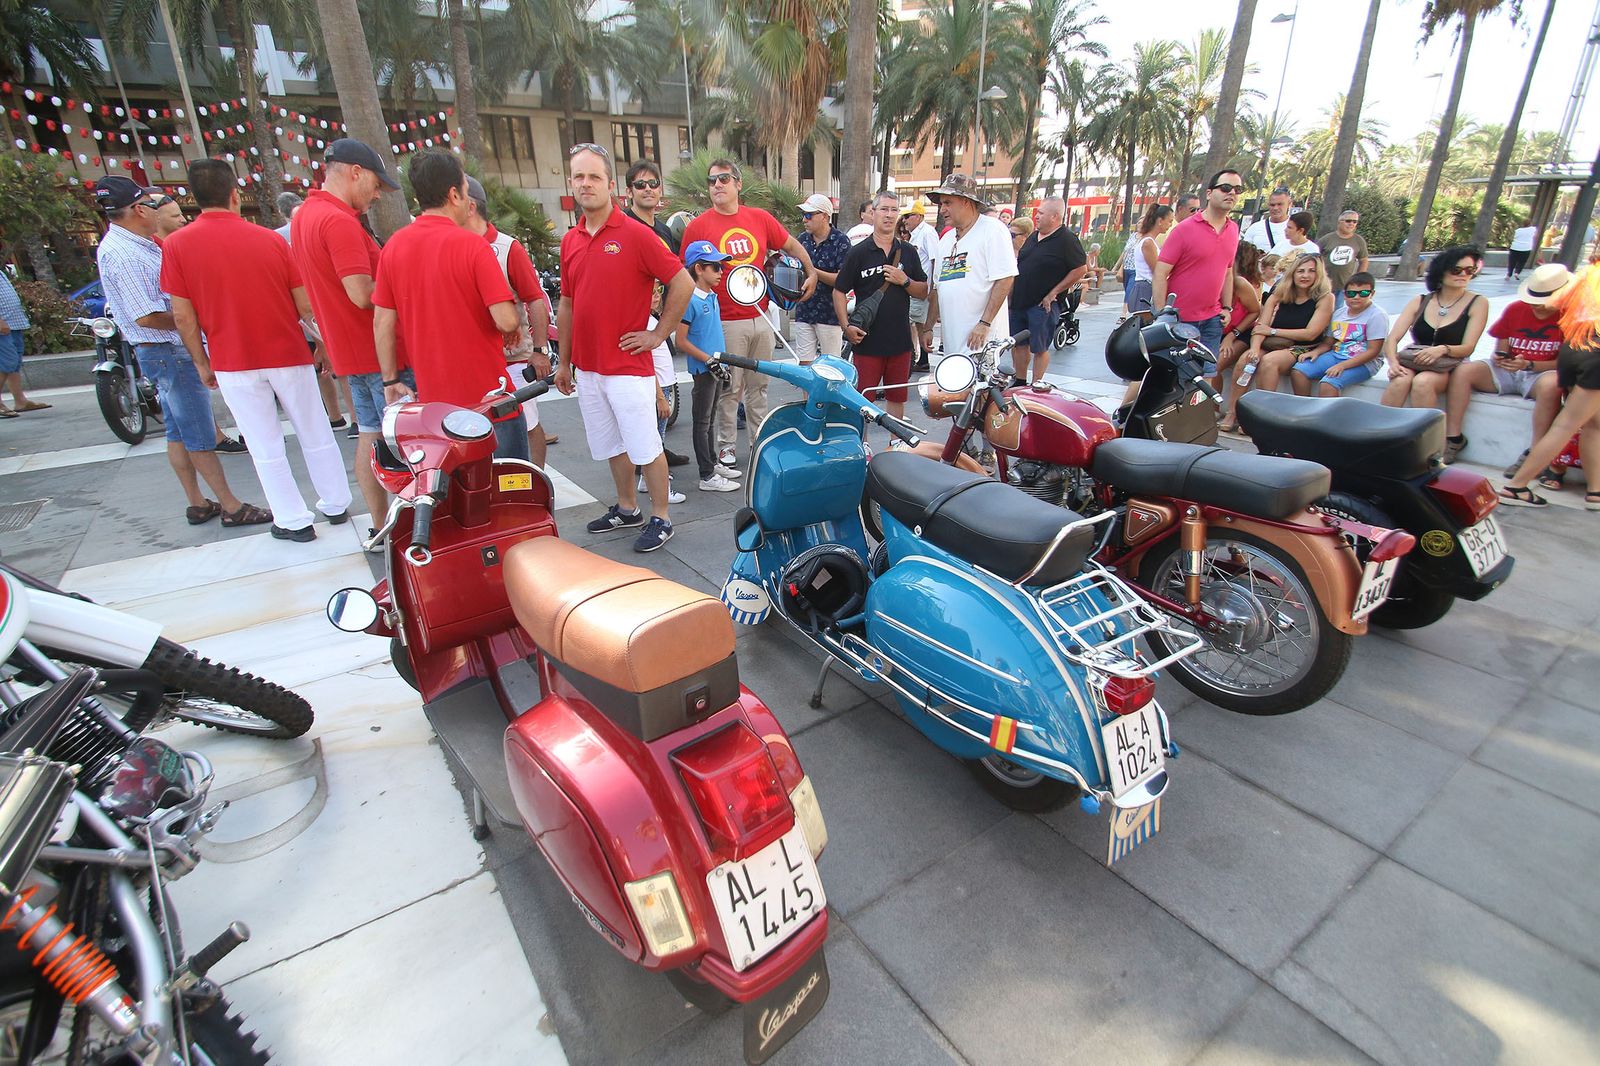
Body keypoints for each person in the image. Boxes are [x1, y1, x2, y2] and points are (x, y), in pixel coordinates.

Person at [160, 159, 352, 543]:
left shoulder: (177, 245)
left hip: (233, 359)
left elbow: (183, 316)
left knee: (264, 444)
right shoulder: (270, 240)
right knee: (315, 430)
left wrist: (201, 361)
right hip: (287, 352)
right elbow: (303, 305)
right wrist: (322, 344)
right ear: (234, 194)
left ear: (193, 198)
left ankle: (294, 520)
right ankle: (335, 503)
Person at [94, 175, 269, 529]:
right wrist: (195, 318)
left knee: (178, 431)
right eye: (151, 203)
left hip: (163, 350)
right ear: (139, 209)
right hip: (166, 350)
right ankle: (231, 506)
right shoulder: (125, 253)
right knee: (198, 433)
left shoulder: (139, 245)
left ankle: (197, 502)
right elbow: (146, 314)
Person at [556, 143, 693, 552]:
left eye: (594, 176)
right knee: (611, 445)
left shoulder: (636, 234)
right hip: (589, 368)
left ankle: (661, 517)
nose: (586, 183)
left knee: (645, 444)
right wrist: (564, 364)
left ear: (611, 185)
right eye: (579, 176)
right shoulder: (571, 240)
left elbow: (683, 281)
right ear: (571, 183)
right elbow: (566, 303)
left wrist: (657, 335)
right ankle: (627, 507)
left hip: (629, 365)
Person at [291, 138, 408, 542]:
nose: (377, 195)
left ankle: (381, 526)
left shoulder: (307, 215)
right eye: (376, 184)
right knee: (404, 444)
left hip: (354, 354)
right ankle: (406, 530)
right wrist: (409, 292)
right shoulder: (337, 221)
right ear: (355, 172)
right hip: (379, 354)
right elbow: (361, 292)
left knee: (371, 436)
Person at [374, 151, 526, 458]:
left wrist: (390, 379)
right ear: (454, 194)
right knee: (511, 493)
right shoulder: (473, 246)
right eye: (466, 193)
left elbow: (382, 323)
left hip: (436, 410)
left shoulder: (394, 248)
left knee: (457, 497)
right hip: (489, 400)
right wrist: (506, 323)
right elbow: (507, 320)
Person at [680, 158, 816, 466]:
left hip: (761, 316)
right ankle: (727, 445)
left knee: (760, 387)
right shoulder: (699, 226)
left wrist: (811, 272)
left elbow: (792, 245)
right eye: (712, 180)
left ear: (738, 184)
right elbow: (684, 271)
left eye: (724, 179)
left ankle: (758, 440)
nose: (717, 185)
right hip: (724, 322)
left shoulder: (759, 218)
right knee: (729, 387)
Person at [463, 176, 552, 467]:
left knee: (527, 425)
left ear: (470, 206)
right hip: (475, 363)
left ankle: (534, 485)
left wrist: (539, 350)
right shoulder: (457, 246)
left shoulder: (506, 248)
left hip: (513, 361)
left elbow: (535, 299)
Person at [1448, 263, 1571, 474]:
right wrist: (1502, 358)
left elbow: (1569, 362)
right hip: (1511, 369)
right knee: (1464, 371)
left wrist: (1531, 365)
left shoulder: (1570, 317)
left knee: (1552, 385)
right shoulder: (1516, 308)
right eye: (1533, 301)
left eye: (1542, 302)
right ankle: (1453, 437)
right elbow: (1502, 346)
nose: (1536, 306)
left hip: (1542, 372)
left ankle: (1536, 451)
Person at [1500, 265, 1600, 509]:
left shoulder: (1590, 275)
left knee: (1594, 424)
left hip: (1575, 350)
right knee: (1568, 424)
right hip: (1594, 353)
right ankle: (1517, 487)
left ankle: (1596, 492)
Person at [1380, 246, 1490, 461]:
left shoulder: (1478, 302)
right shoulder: (1421, 300)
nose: (1464, 275)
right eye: (1457, 270)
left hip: (1449, 362)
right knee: (1400, 380)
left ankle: (1428, 450)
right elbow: (1392, 339)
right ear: (1442, 271)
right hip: (1416, 359)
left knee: (1424, 382)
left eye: (1470, 270)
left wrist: (1442, 349)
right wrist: (1393, 363)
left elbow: (1469, 346)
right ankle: (1381, 439)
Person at [833, 191, 929, 422]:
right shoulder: (858, 252)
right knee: (863, 401)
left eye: (894, 210)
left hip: (900, 342)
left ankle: (894, 447)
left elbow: (923, 290)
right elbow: (839, 290)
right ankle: (862, 448)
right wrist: (846, 327)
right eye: (883, 209)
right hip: (867, 342)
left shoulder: (908, 251)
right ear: (873, 213)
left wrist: (903, 280)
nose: (888, 215)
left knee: (897, 399)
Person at [623, 160, 681, 463]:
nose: (648, 189)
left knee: (664, 385)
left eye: (653, 183)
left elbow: (674, 277)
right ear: (629, 190)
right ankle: (644, 460)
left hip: (657, 321)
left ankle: (657, 449)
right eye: (640, 184)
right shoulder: (623, 226)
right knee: (642, 394)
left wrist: (667, 321)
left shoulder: (663, 230)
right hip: (631, 321)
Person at [673, 240, 741, 492]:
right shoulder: (689, 300)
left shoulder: (711, 296)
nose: (721, 272)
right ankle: (707, 474)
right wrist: (708, 360)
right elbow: (681, 340)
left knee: (709, 419)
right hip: (704, 369)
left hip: (714, 366)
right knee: (702, 422)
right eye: (715, 267)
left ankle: (712, 463)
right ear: (699, 268)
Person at [1152, 170, 1241, 358]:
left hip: (1212, 320)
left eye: (1237, 189)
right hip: (1179, 319)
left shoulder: (1233, 229)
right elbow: (1161, 273)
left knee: (1205, 376)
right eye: (1225, 188)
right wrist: (1162, 315)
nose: (1231, 193)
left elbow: (1227, 271)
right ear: (1209, 193)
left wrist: (1226, 307)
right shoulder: (1184, 229)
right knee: (1163, 374)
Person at [926, 173, 1017, 357]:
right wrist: (928, 327)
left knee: (979, 386)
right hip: (953, 342)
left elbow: (1005, 278)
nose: (942, 209)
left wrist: (985, 323)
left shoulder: (993, 230)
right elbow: (938, 287)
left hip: (983, 341)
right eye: (941, 204)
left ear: (966, 201)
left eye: (947, 203)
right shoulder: (946, 240)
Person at [1236, 252, 1336, 404]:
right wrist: (1254, 349)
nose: (1305, 276)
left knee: (1269, 362)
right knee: (1245, 361)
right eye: (1300, 271)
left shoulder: (1326, 297)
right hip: (1273, 343)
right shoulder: (1279, 293)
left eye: (1311, 271)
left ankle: (1265, 413)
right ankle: (1233, 412)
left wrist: (1273, 331)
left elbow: (1310, 334)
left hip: (1302, 347)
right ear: (1293, 273)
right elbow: (1260, 327)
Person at [1008, 196, 1087, 382]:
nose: (1036, 216)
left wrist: (1054, 292)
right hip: (1020, 301)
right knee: (1019, 344)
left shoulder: (1067, 239)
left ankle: (1036, 384)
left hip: (1042, 304)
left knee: (1039, 346)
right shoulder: (1033, 237)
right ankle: (1020, 380)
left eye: (1041, 213)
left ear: (1054, 216)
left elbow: (1080, 269)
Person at [1286, 271, 1390, 398]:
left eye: (1363, 293)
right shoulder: (1339, 313)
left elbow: (1373, 352)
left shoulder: (1377, 316)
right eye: (1351, 293)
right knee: (1299, 370)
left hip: (1365, 362)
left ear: (1371, 294)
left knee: (1329, 383)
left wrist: (1342, 366)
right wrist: (1315, 352)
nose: (1356, 297)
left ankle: (1328, 417)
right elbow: (1328, 342)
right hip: (1337, 354)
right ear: (1345, 295)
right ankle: (1304, 407)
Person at [794, 193, 850, 366]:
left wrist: (812, 272)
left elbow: (842, 280)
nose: (804, 219)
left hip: (830, 313)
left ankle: (829, 395)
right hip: (804, 310)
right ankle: (808, 395)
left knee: (831, 367)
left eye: (809, 215)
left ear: (824, 216)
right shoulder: (802, 240)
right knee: (805, 367)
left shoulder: (841, 241)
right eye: (803, 215)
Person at [1210, 243, 1265, 404]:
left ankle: (1215, 408)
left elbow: (1255, 311)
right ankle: (1210, 408)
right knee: (1205, 365)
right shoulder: (1210, 282)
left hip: (1241, 332)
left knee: (1214, 365)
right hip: (1217, 331)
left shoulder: (1240, 283)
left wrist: (1232, 336)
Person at [0, 269, 47, 418]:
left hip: (13, 322)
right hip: (3, 324)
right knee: (7, 362)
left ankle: (20, 401)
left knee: (14, 364)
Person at [902, 199, 940, 370]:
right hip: (916, 287)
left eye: (908, 216)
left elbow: (934, 260)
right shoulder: (917, 234)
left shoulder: (927, 233)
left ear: (918, 216)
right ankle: (921, 359)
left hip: (922, 287)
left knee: (916, 322)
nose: (905, 220)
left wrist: (933, 286)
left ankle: (918, 358)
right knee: (917, 322)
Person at [1125, 204, 1174, 318]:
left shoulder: (1150, 241)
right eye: (1169, 221)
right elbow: (1157, 271)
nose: (1170, 225)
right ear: (1160, 221)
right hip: (1145, 290)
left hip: (1145, 288)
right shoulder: (1148, 243)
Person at [1317, 209, 1369, 308]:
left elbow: (1364, 260)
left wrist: (1359, 279)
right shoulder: (1327, 239)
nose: (1351, 224)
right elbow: (1314, 256)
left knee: (1337, 312)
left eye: (1355, 222)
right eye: (1348, 221)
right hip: (1324, 284)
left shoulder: (1358, 241)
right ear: (1339, 222)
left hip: (1343, 286)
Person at [1243, 186, 1293, 253]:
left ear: (1289, 204)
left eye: (1280, 204)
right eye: (1272, 205)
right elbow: (1244, 255)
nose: (1275, 208)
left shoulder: (1296, 229)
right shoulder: (1255, 228)